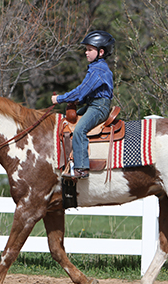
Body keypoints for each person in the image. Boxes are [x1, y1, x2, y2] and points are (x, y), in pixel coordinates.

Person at [52, 30, 115, 179]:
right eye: (86, 49)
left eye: (89, 49)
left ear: (100, 52)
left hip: (99, 107)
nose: (86, 53)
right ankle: (67, 160)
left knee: (80, 130)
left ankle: (81, 169)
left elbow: (81, 91)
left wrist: (60, 99)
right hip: (93, 104)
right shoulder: (96, 67)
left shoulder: (98, 69)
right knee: (67, 122)